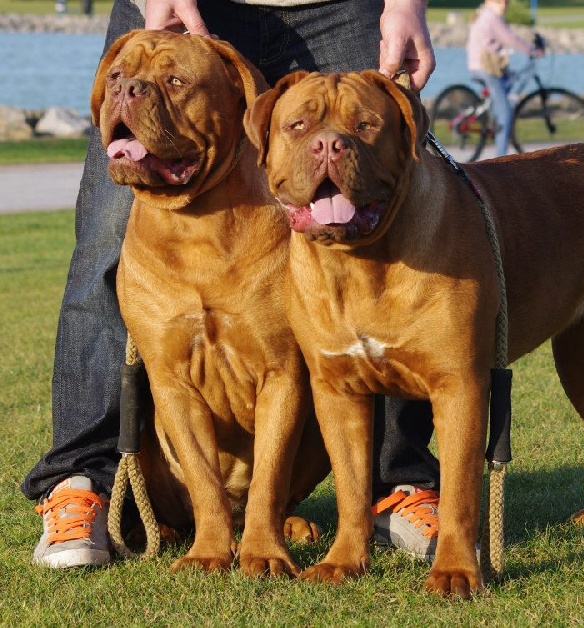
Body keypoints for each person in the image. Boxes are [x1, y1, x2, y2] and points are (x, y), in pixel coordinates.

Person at [24, 0, 442, 569]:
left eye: (167, 81)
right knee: (103, 234)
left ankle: (403, 480)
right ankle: (81, 482)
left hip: (342, 9)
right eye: (115, 85)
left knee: (378, 211)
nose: (126, 92)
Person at [466, 0, 542, 157]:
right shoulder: (491, 17)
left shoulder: (486, 14)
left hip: (486, 66)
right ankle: (501, 158)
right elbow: (510, 39)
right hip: (486, 68)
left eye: (506, 1)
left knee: (511, 78)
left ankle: (495, 114)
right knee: (506, 113)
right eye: (499, 1)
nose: (503, 4)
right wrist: (532, 51)